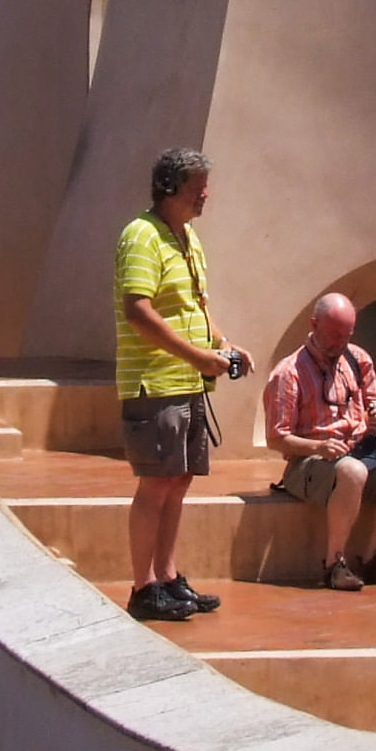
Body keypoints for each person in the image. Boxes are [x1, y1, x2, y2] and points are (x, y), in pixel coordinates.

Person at [112, 148, 244, 623]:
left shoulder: (188, 238)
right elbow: (138, 310)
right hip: (154, 383)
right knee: (156, 482)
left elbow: (196, 307)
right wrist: (195, 356)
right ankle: (143, 586)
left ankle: (167, 578)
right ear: (170, 188)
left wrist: (223, 345)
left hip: (188, 383)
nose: (205, 195)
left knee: (179, 479)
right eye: (196, 187)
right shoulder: (141, 235)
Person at [262, 292, 376, 589]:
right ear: (314, 324)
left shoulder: (358, 360)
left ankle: (372, 558)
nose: (340, 343)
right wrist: (317, 446)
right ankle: (334, 563)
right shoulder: (288, 373)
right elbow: (277, 438)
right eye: (334, 335)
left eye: (346, 335)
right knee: (352, 471)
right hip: (310, 460)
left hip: (360, 451)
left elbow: (372, 406)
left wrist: (375, 418)